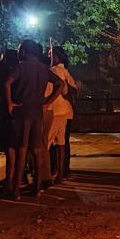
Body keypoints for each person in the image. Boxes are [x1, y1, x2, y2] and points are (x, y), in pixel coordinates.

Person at [5, 40, 64, 199]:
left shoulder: (21, 66)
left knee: (21, 151)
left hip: (22, 111)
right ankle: (37, 188)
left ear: (24, 51)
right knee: (37, 151)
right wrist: (48, 101)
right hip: (37, 112)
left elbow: (7, 82)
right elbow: (60, 84)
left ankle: (15, 190)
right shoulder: (44, 68)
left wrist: (10, 103)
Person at [44, 46, 77, 184]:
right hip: (66, 111)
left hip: (55, 110)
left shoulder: (55, 70)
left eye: (51, 54)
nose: (48, 56)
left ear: (58, 56)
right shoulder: (65, 71)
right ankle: (61, 172)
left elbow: (61, 88)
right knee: (62, 142)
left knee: (45, 143)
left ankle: (46, 174)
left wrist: (47, 101)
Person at [0, 50, 19, 192]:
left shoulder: (4, 70)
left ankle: (10, 181)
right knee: (15, 148)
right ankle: (13, 179)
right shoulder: (19, 71)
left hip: (5, 113)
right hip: (17, 112)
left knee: (10, 148)